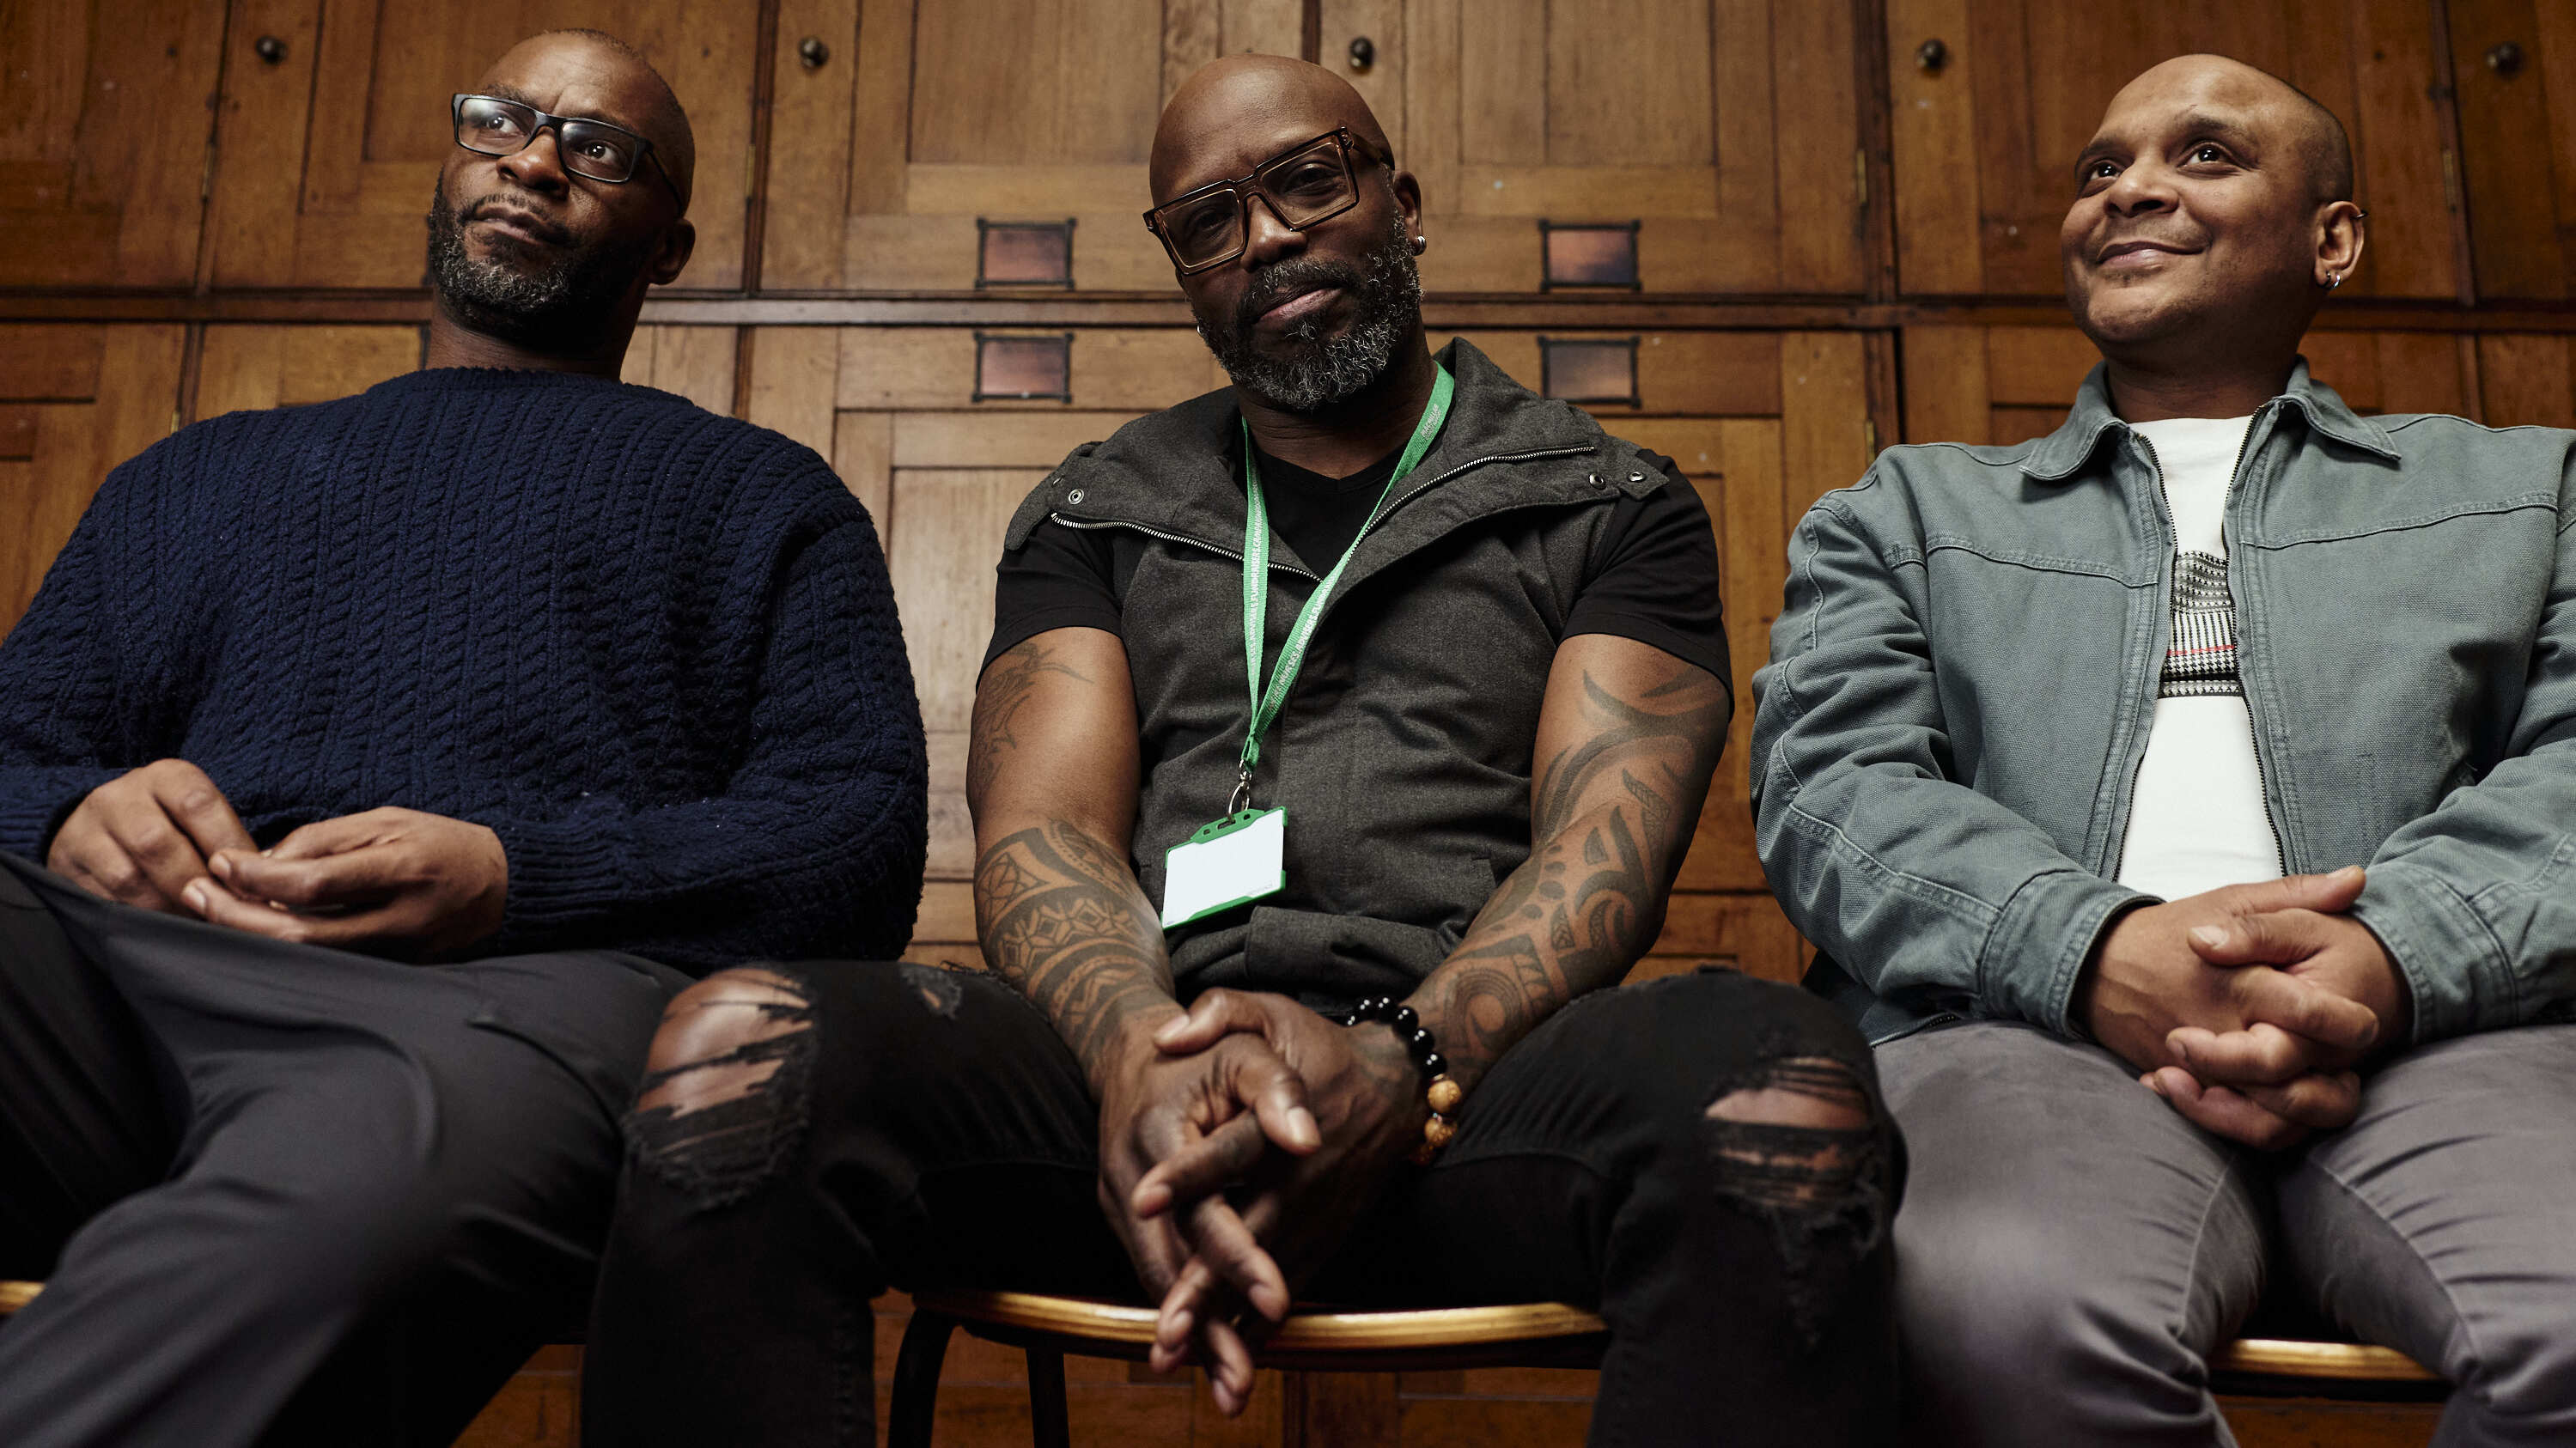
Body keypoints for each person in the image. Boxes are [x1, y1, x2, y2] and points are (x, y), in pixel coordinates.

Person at [582, 53, 1901, 1448]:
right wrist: (1132, 1053)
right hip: (1133, 1091)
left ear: (1402, 202)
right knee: (742, 1053)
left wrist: (1396, 1058)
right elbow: (1044, 834)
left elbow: (1601, 851)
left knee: (1781, 1085)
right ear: (1183, 271)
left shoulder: (1605, 501)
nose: (1265, 236)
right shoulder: (1095, 510)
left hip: (1466, 1089)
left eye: (1306, 182)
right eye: (1208, 220)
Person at [0, 28, 925, 1448]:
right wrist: (68, 811)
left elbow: (852, 837)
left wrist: (515, 876)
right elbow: (17, 747)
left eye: (599, 147)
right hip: (132, 986)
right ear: (449, 164)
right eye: (500, 120)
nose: (535, 159)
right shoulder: (187, 477)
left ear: (668, 248)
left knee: (360, 1187)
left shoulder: (762, 497)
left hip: (508, 1004)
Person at [1752, 52, 2576, 1446]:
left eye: (2203, 154)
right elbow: (1832, 791)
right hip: (2020, 1037)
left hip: (2445, 1036)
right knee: (2009, 1314)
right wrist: (2092, 951)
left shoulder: (2528, 491)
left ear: (2331, 239)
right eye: (2100, 168)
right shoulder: (1903, 514)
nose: (2127, 188)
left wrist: (2387, 957)